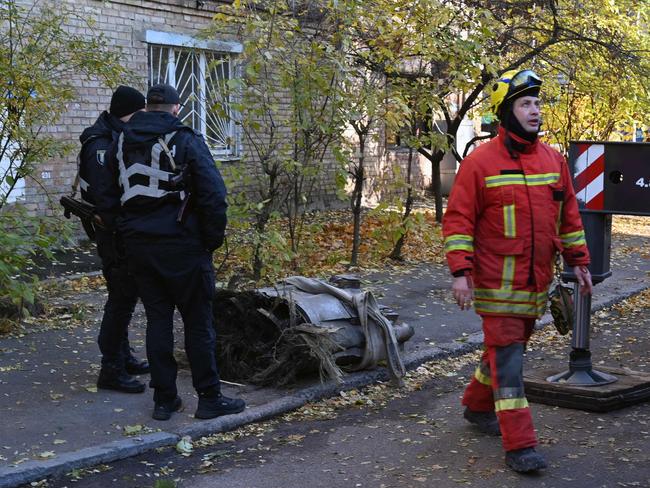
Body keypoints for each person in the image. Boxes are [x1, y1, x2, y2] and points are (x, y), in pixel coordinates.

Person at [442, 69, 593, 473]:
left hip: (535, 285)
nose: (535, 111)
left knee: (507, 350)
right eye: (526, 104)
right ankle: (520, 445)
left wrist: (579, 262)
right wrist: (461, 272)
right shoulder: (479, 163)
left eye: (537, 103)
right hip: (495, 286)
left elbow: (569, 218)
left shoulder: (553, 160)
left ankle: (476, 406)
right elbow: (458, 221)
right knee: (510, 361)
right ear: (506, 111)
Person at [95, 83, 245, 421]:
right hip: (184, 246)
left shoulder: (120, 141)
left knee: (157, 321)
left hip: (140, 249)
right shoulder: (186, 139)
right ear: (176, 108)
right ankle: (209, 398)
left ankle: (165, 401)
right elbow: (214, 195)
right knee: (197, 323)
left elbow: (105, 197)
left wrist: (129, 230)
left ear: (148, 108)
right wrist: (210, 240)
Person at [79, 85, 149, 394]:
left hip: (119, 231)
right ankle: (111, 368)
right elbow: (107, 198)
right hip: (113, 233)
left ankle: (123, 357)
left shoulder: (114, 136)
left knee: (125, 295)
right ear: (130, 112)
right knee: (120, 298)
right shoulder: (100, 145)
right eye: (141, 112)